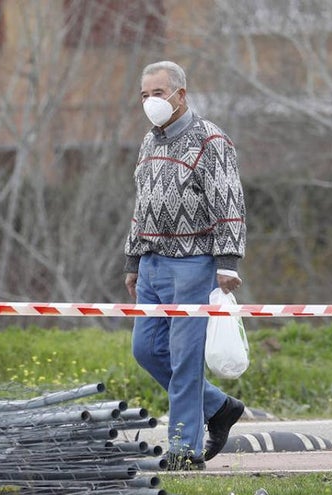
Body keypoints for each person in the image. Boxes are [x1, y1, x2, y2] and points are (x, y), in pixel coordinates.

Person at [122, 60, 247, 470]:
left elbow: (228, 201)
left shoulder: (210, 140)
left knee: (185, 357)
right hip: (153, 262)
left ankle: (184, 449)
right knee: (146, 349)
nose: (150, 102)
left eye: (158, 93)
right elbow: (142, 203)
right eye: (144, 95)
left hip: (193, 262)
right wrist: (133, 258)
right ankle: (219, 407)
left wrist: (227, 261)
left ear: (180, 95)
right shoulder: (149, 141)